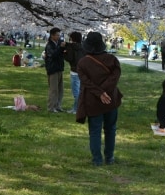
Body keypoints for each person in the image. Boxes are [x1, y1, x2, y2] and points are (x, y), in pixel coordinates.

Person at [76, 32, 122, 166]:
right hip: (111, 99)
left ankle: (97, 160)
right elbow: (114, 78)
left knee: (95, 131)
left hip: (93, 100)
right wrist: (105, 91)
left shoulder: (83, 63)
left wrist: (99, 93)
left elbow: (85, 82)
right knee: (110, 129)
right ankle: (110, 157)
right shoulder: (112, 59)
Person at [44, 27, 65, 112]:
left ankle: (57, 105)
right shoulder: (49, 45)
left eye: (59, 35)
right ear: (52, 35)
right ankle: (51, 107)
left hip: (59, 67)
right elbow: (53, 55)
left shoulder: (58, 43)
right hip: (52, 68)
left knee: (60, 89)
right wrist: (60, 48)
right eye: (57, 35)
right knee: (54, 89)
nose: (58, 36)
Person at [63, 31, 85, 113]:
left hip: (74, 71)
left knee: (76, 92)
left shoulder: (71, 47)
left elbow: (69, 58)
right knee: (80, 90)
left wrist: (64, 53)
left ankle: (76, 109)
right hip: (82, 71)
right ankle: (78, 108)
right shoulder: (83, 47)